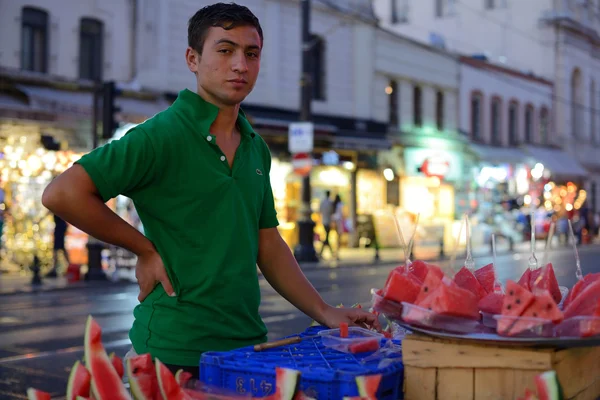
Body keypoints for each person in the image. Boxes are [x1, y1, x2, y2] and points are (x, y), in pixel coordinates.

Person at [41, 3, 378, 379]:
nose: (240, 65)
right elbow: (62, 193)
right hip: (171, 348)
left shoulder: (255, 146)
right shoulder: (161, 135)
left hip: (246, 345)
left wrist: (325, 310)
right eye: (225, 50)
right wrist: (144, 248)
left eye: (251, 54)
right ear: (193, 58)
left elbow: (268, 244)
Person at [319, 190, 334, 258]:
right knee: (327, 237)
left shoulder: (323, 202)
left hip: (324, 221)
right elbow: (332, 212)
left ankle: (322, 252)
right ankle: (328, 252)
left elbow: (320, 210)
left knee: (327, 237)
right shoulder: (330, 202)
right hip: (328, 221)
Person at [331, 194, 344, 260]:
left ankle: (335, 252)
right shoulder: (340, 204)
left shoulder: (334, 205)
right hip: (339, 221)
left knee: (336, 237)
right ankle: (337, 252)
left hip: (335, 221)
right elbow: (342, 213)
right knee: (339, 237)